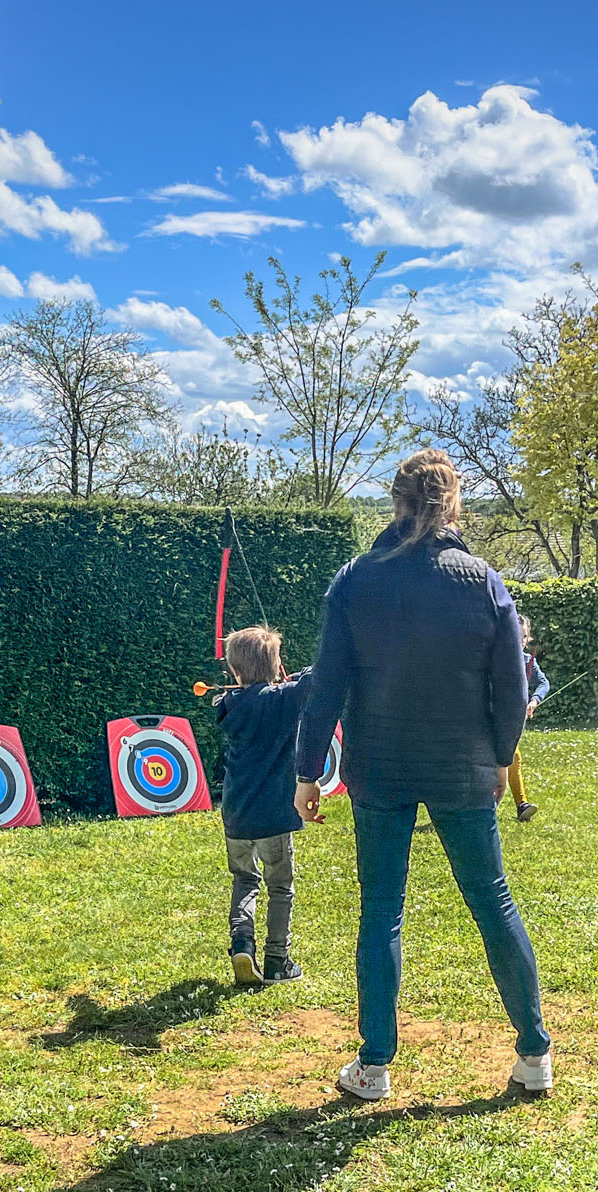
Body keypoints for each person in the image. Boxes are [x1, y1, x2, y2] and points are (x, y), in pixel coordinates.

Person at [294, 449, 551, 1101]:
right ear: (452, 504)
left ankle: (374, 1065)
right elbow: (511, 683)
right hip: (462, 766)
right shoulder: (482, 580)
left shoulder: (356, 580)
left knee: (382, 909)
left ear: (397, 501)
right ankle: (534, 1054)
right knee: (491, 900)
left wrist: (307, 773)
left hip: (379, 766)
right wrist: (499, 756)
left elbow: (327, 686)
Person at [214, 625, 309, 987]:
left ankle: (242, 943)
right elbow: (317, 677)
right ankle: (276, 960)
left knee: (244, 878)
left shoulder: (227, 703)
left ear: (235, 671)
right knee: (280, 886)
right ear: (273, 665)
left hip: (236, 813)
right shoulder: (282, 699)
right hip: (273, 814)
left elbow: (276, 688)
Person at [506, 613, 550, 824]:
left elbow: (544, 683)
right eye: (515, 636)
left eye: (523, 637)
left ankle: (521, 806)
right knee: (512, 756)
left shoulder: (527, 662)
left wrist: (534, 701)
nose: (520, 642)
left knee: (512, 758)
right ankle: (520, 804)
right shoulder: (496, 659)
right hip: (489, 722)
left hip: (512, 724)